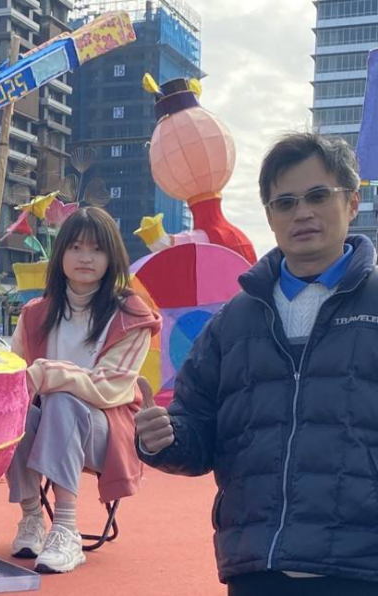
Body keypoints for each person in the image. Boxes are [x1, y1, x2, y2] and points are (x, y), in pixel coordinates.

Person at [135, 132, 378, 595]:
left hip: (361, 567)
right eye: (285, 203)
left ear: (351, 202)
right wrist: (163, 438)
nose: (302, 213)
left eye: (318, 196)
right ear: (269, 215)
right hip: (257, 566)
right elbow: (196, 430)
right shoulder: (233, 321)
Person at [7, 206, 161, 573]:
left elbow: (110, 388)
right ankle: (31, 516)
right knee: (14, 411)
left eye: (97, 249)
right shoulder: (34, 313)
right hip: (46, 427)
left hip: (107, 432)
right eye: (75, 247)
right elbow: (13, 376)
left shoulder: (132, 315)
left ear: (112, 257)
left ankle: (66, 528)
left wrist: (46, 373)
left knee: (63, 400)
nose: (86, 258)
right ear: (61, 254)